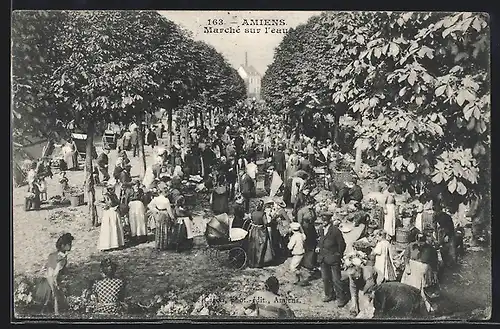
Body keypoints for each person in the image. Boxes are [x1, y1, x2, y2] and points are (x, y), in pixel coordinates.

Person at [34, 233, 75, 315]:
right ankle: (56, 313)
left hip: (45, 280)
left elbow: (47, 268)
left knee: (46, 304)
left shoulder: (53, 255)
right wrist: (55, 285)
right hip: (51, 280)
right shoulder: (61, 259)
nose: (71, 245)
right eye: (69, 244)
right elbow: (54, 272)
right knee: (55, 299)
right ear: (63, 246)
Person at [317, 217, 348, 306]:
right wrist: (318, 247)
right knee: (325, 278)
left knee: (336, 279)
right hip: (323, 258)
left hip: (333, 258)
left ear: (329, 220)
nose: (322, 222)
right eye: (321, 220)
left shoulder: (335, 231)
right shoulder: (321, 229)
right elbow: (321, 240)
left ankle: (341, 298)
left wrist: (338, 254)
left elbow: (342, 244)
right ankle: (329, 295)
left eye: (324, 220)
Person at [147, 183, 175, 251]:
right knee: (165, 228)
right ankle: (165, 245)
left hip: (159, 214)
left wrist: (156, 210)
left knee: (159, 228)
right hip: (165, 214)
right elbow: (169, 211)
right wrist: (172, 218)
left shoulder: (156, 199)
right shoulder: (166, 200)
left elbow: (149, 206)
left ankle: (159, 244)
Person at [247, 200, 275, 268]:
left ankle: (252, 262)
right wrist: (272, 221)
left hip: (254, 229)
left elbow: (251, 220)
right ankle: (259, 263)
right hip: (261, 231)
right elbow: (265, 223)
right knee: (261, 246)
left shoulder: (253, 213)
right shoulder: (262, 214)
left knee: (253, 246)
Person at [98, 183, 125, 251]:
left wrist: (118, 206)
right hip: (108, 213)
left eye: (113, 189)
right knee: (108, 228)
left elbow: (118, 202)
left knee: (115, 227)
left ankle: (116, 244)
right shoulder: (105, 195)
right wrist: (104, 206)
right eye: (110, 189)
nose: (112, 190)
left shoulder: (115, 195)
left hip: (115, 212)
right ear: (108, 189)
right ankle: (106, 245)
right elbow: (97, 202)